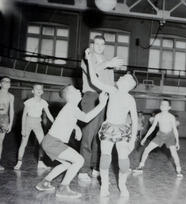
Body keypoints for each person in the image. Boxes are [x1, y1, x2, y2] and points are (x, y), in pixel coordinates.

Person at [35, 85, 108, 199]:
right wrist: (102, 104)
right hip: (53, 142)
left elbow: (66, 120)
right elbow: (86, 118)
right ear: (70, 96)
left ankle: (44, 183)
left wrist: (76, 127)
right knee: (79, 160)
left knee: (67, 164)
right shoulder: (71, 107)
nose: (79, 90)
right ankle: (63, 188)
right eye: (75, 90)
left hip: (50, 141)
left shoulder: (71, 107)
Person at [84, 48, 138, 197]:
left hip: (122, 131)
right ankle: (105, 186)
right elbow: (94, 80)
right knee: (105, 158)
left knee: (123, 161)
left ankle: (122, 184)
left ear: (129, 85)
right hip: (108, 128)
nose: (120, 78)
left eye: (124, 78)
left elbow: (134, 120)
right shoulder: (112, 90)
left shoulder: (130, 99)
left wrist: (132, 141)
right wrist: (89, 60)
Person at [78, 35, 123, 182]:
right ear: (93, 44)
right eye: (96, 43)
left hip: (105, 97)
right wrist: (108, 63)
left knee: (100, 135)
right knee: (88, 134)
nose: (99, 46)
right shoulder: (87, 58)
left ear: (104, 46)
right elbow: (93, 74)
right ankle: (83, 170)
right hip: (91, 97)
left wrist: (116, 94)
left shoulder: (107, 62)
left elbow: (110, 82)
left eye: (102, 44)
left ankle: (96, 167)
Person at [133, 99, 183, 178]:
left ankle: (179, 170)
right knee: (146, 149)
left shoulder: (171, 117)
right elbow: (152, 128)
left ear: (169, 107)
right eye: (162, 104)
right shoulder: (158, 116)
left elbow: (175, 130)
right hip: (160, 135)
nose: (163, 106)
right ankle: (140, 167)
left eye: (165, 105)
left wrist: (177, 141)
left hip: (170, 136)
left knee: (174, 154)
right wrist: (145, 138)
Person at [14, 84, 54, 170]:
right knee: (23, 143)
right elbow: (24, 115)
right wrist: (23, 128)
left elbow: (49, 114)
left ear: (42, 91)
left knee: (43, 143)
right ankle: (19, 162)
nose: (39, 90)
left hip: (37, 123)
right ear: (33, 91)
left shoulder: (44, 102)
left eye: (40, 89)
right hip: (28, 122)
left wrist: (55, 123)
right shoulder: (29, 101)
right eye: (36, 89)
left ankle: (40, 162)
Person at [0, 76, 14, 170]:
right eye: (5, 81)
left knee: (0, 141)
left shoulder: (11, 96)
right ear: (0, 84)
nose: (7, 83)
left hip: (4, 119)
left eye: (9, 82)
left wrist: (10, 123)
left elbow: (11, 110)